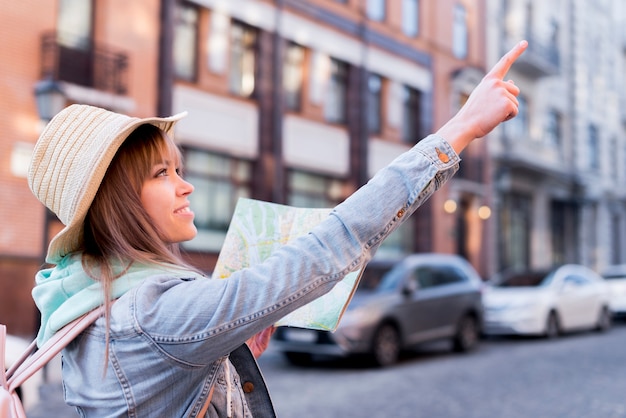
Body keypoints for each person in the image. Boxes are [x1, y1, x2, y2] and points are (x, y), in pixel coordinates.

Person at [27, 41, 527, 417]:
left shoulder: (88, 300)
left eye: (179, 169)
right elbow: (329, 246)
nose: (186, 188)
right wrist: (457, 131)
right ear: (117, 202)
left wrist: (224, 346)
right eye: (162, 174)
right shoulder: (156, 312)